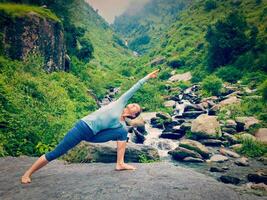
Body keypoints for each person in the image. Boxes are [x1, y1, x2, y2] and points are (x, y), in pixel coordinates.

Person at [21, 69, 159, 184]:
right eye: (134, 104)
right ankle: (28, 173)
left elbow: (113, 134)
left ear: (134, 115)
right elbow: (135, 87)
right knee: (56, 153)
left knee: (123, 132)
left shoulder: (120, 124)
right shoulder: (120, 103)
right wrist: (148, 77)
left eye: (137, 107)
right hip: (82, 128)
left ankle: (120, 163)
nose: (134, 105)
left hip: (93, 135)